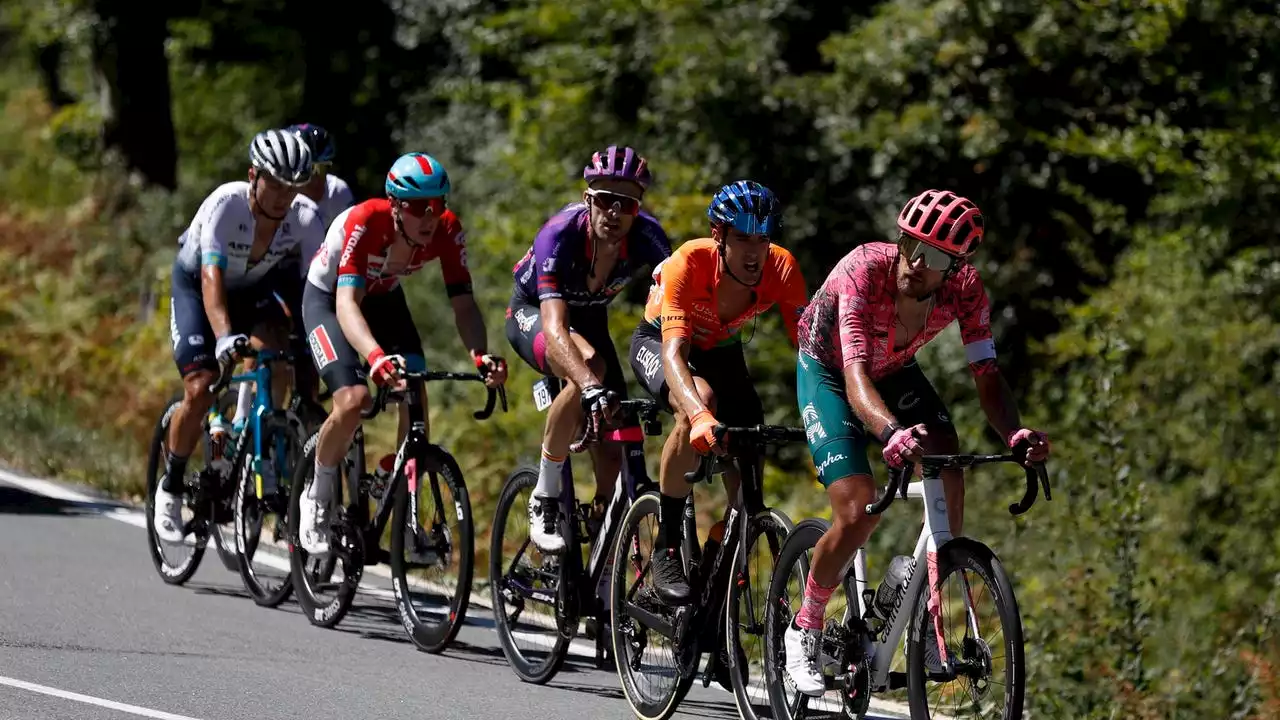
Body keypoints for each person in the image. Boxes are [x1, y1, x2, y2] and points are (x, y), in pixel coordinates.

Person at [782, 189, 1052, 695]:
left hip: (894, 369)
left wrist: (1014, 432)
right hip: (831, 371)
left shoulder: (967, 292)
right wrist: (889, 432)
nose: (916, 263)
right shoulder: (866, 268)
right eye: (911, 244)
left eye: (935, 258)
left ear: (956, 268)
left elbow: (987, 376)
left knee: (949, 458)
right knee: (860, 506)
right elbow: (856, 376)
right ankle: (806, 624)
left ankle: (931, 606)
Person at [298, 151, 507, 554]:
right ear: (395, 206)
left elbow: (464, 305)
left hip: (385, 297)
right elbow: (346, 304)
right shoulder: (366, 221)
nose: (430, 217)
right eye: (417, 208)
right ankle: (317, 493)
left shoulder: (447, 231)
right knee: (354, 399)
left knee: (415, 390)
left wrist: (480, 356)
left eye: (438, 205)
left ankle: (403, 508)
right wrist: (375, 358)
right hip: (330, 298)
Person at [628, 180, 808, 604]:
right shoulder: (688, 261)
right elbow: (674, 352)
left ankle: (718, 573)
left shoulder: (782, 269)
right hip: (660, 341)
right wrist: (698, 414)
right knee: (701, 400)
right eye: (742, 238)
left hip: (722, 350)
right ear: (718, 235)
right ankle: (667, 544)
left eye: (762, 238)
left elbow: (809, 351)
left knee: (750, 456)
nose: (753, 252)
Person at [155, 129, 324, 542]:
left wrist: (319, 342)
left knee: (282, 349)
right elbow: (211, 278)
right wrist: (224, 337)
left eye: (293, 185)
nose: (284, 195)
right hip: (198, 287)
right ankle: (172, 485)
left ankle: (253, 432)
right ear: (254, 176)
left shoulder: (304, 217)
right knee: (200, 387)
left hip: (251, 290)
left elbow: (317, 288)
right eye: (276, 183)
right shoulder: (226, 204)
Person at [507, 145, 672, 554]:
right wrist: (587, 383)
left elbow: (675, 315)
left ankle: (602, 529)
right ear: (588, 200)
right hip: (534, 314)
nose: (614, 212)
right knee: (590, 370)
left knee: (614, 450)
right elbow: (555, 326)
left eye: (626, 203)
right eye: (604, 200)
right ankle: (544, 497)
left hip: (592, 318)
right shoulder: (558, 237)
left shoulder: (650, 240)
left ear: (638, 209)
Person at [287, 123, 356, 232]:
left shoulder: (337, 192)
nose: (317, 180)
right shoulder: (278, 199)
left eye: (323, 169)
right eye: (308, 170)